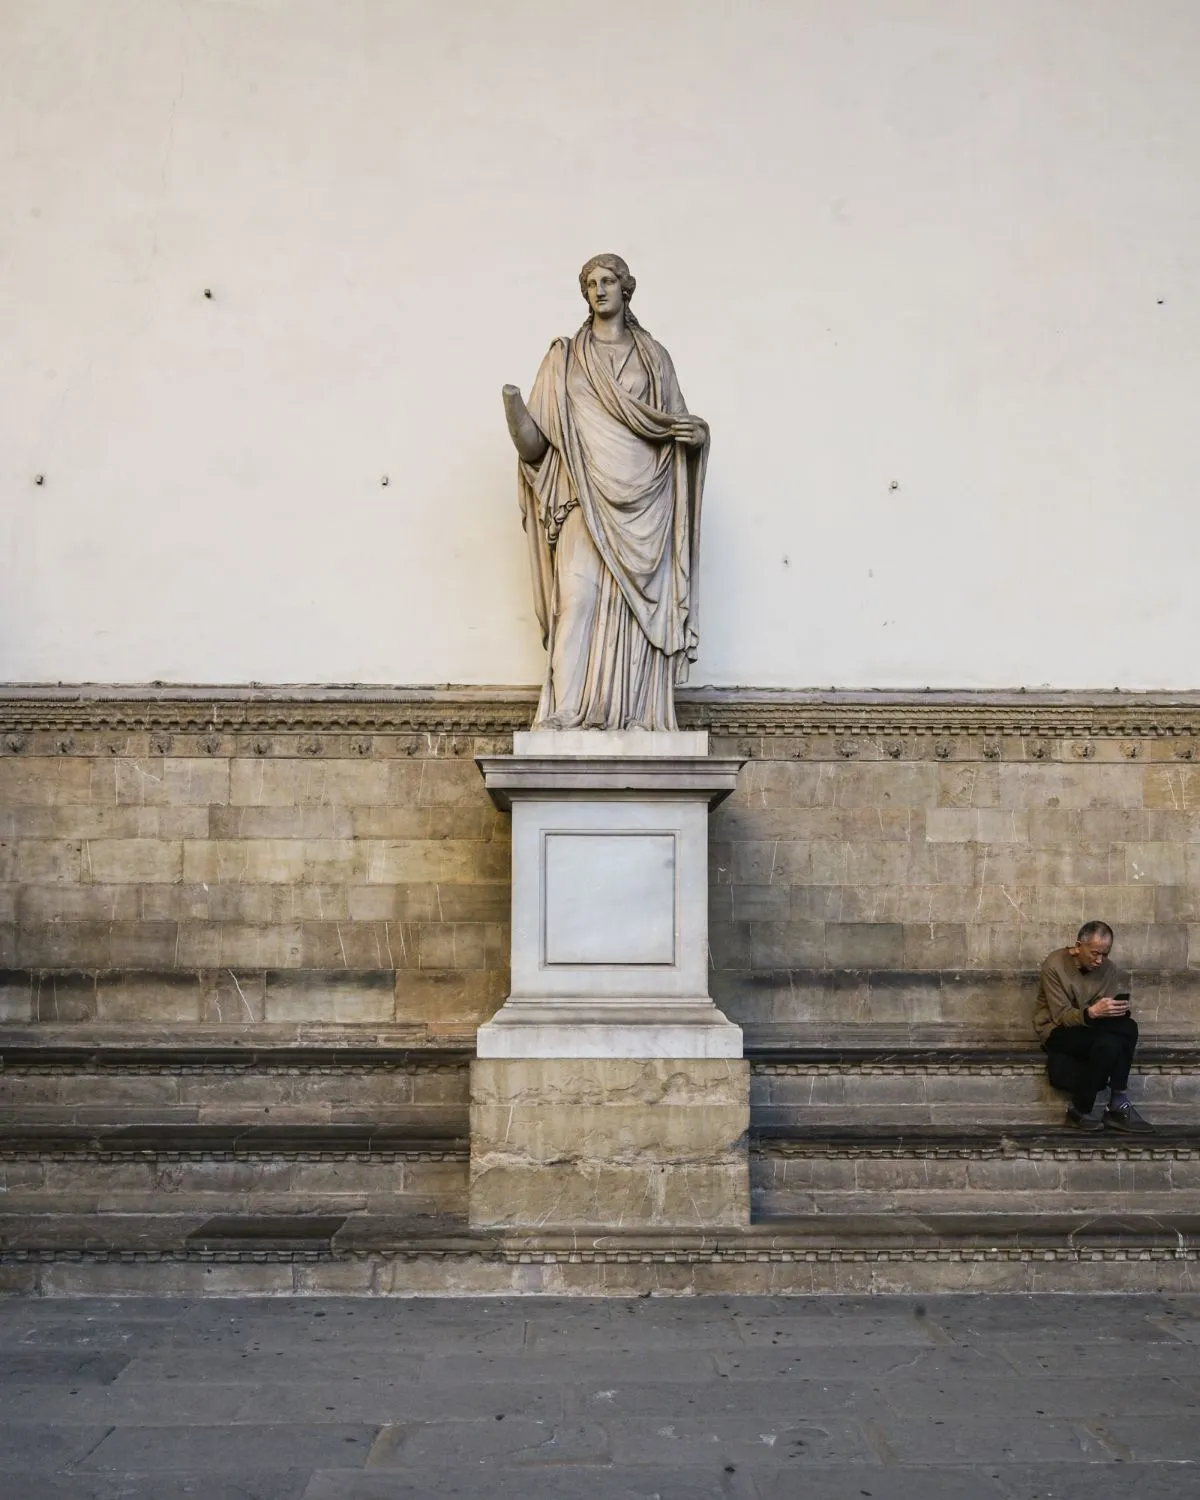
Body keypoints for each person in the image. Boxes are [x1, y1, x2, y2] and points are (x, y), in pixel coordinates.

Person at [501, 254, 708, 731]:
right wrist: (514, 409)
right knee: (577, 599)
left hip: (647, 505)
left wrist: (697, 436)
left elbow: (676, 422)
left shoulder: (654, 357)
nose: (599, 289)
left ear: (625, 289)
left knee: (636, 613)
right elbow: (536, 448)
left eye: (608, 280)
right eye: (591, 283)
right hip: (583, 496)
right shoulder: (564, 358)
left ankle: (638, 715)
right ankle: (566, 710)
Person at [1033, 921, 1152, 1132]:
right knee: (1115, 1040)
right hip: (1057, 1029)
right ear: (1079, 946)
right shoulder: (1055, 964)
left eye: (1105, 954)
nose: (1099, 960)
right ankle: (1114, 1104)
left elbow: (1102, 1014)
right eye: (1095, 953)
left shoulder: (1108, 969)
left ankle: (1084, 1109)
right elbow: (1060, 1016)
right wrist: (1091, 1013)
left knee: (1124, 1030)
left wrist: (1113, 1010)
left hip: (1091, 1026)